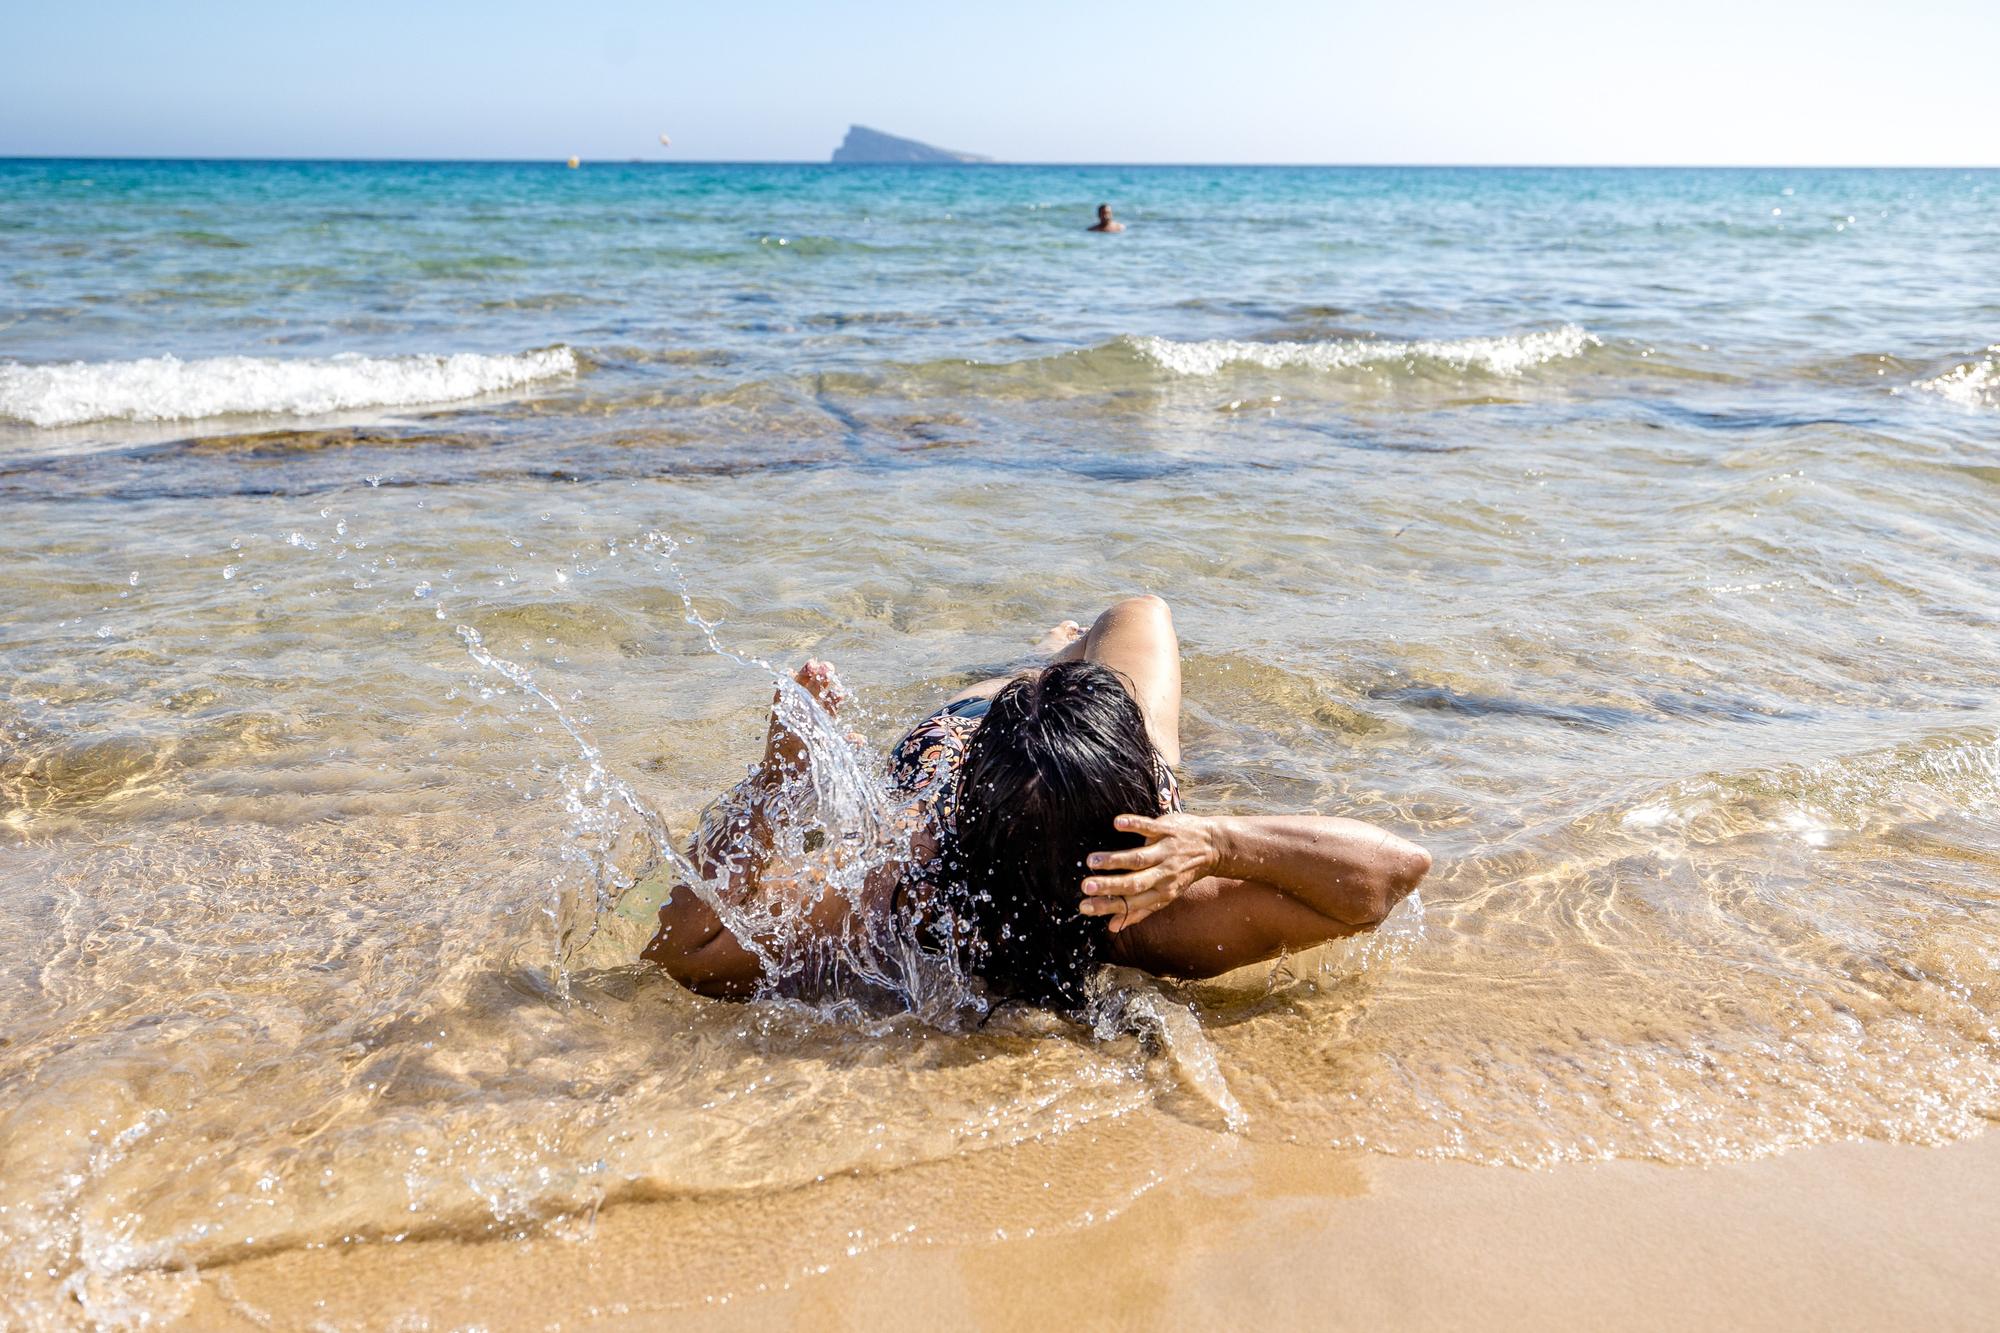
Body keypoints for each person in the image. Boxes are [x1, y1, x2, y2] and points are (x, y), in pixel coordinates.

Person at [644, 596, 1432, 1010]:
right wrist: (1220, 843)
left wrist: (775, 787)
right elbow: (1390, 869)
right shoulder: (1151, 913)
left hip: (1004, 738)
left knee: (1112, 637)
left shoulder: (898, 887)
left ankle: (1049, 661)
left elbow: (682, 950)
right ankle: (1047, 662)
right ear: (1151, 807)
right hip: (969, 742)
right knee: (1114, 636)